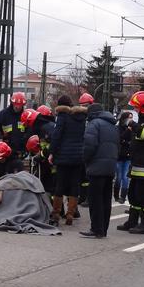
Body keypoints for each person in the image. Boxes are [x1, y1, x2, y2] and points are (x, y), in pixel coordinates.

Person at [117, 91, 144, 235]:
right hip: (137, 163)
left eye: (136, 107)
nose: (135, 110)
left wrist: (134, 125)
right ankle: (132, 221)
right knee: (133, 194)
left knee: (143, 195)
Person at [79, 104, 119, 238]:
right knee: (106, 200)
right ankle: (103, 229)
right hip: (110, 167)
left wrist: (85, 160)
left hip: (96, 167)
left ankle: (96, 229)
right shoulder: (112, 125)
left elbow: (89, 145)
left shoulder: (94, 124)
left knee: (95, 200)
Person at [49, 95, 87, 226]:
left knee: (59, 185)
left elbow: (56, 136)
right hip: (78, 157)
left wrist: (52, 153)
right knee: (74, 185)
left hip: (63, 156)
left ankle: (55, 214)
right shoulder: (81, 118)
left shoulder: (62, 117)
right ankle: (70, 214)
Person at [0, 92, 27, 156]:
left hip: (20, 150)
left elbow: (29, 131)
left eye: (20, 105)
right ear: (12, 103)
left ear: (23, 105)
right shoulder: (2, 115)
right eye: (16, 104)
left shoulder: (26, 116)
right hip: (5, 149)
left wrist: (25, 148)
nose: (17, 107)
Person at [77, 92, 95, 207]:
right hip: (82, 150)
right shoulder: (80, 118)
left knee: (89, 177)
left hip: (90, 151)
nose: (84, 108)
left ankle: (89, 198)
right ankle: (83, 197)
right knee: (82, 177)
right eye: (82, 106)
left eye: (86, 105)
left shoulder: (93, 119)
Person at [114, 111, 133, 204]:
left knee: (125, 177)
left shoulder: (131, 128)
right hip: (119, 156)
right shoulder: (118, 128)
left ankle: (123, 196)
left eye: (132, 118)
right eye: (129, 117)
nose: (130, 119)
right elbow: (120, 139)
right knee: (118, 177)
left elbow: (132, 140)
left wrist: (127, 141)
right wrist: (128, 131)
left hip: (128, 156)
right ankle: (116, 195)